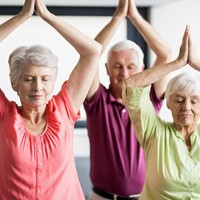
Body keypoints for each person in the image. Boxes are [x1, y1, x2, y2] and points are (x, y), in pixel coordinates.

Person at [0, 0, 102, 199]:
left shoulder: (64, 108)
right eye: (29, 79)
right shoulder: (5, 115)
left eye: (45, 79)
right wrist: (22, 17)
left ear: (53, 82)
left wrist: (48, 17)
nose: (38, 87)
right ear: (14, 84)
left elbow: (92, 52)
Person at [84, 0, 172, 199]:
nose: (124, 73)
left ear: (141, 69)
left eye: (130, 66)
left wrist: (134, 16)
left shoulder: (150, 98)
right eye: (117, 66)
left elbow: (165, 54)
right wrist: (117, 17)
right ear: (107, 69)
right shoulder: (97, 99)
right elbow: (90, 53)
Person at [123, 25, 200, 199]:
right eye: (179, 100)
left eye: (194, 101)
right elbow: (132, 85)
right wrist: (177, 63)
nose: (186, 107)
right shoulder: (154, 132)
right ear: (169, 103)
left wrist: (196, 63)